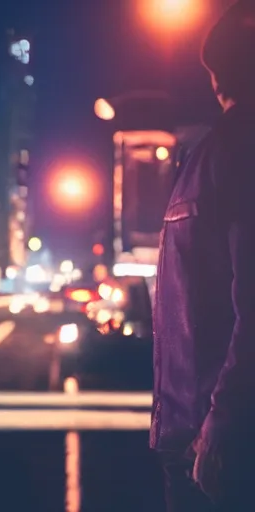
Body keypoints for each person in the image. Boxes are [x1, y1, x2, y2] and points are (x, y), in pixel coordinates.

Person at [151, 1, 255, 510]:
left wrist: (224, 420)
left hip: (211, 438)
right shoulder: (223, 152)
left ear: (217, 78)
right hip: (203, 431)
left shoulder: (224, 152)